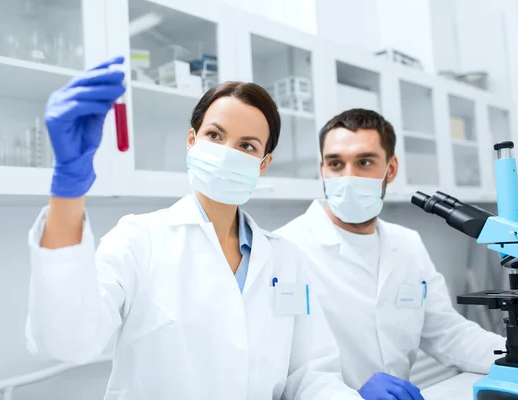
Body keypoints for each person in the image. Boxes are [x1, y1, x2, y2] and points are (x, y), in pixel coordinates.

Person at [24, 56, 361, 400]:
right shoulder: (140, 239)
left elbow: (311, 375)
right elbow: (68, 338)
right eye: (215, 135)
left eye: (247, 146)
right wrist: (68, 186)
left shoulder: (286, 259)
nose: (227, 153)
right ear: (191, 140)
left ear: (263, 164)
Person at [275, 108, 506, 400]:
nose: (349, 177)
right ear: (322, 170)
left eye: (364, 162)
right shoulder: (287, 248)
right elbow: (282, 370)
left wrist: (515, 355)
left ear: (391, 168)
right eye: (336, 163)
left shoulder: (408, 244)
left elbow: (447, 333)